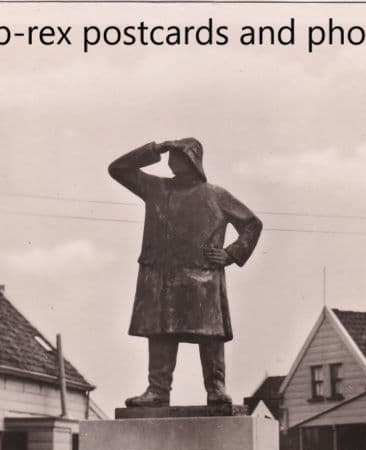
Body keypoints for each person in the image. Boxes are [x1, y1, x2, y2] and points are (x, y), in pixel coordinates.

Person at [108, 138, 263, 407]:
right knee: (160, 333)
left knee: (210, 334)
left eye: (176, 155)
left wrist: (231, 254)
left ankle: (216, 388)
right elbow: (118, 169)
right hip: (161, 278)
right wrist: (155, 149)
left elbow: (252, 224)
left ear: (192, 160)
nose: (171, 160)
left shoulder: (216, 195)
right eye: (170, 155)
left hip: (202, 278)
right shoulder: (156, 188)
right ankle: (158, 391)